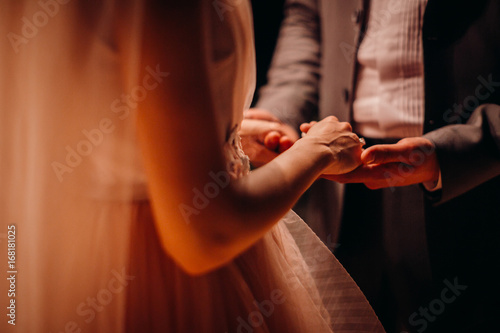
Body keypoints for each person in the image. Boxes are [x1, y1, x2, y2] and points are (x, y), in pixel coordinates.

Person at [0, 1, 385, 332]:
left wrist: (211, 134)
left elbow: (81, 88)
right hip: (162, 284)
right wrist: (319, 149)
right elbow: (205, 232)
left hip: (67, 257)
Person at [242, 0, 500, 331]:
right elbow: (306, 18)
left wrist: (463, 148)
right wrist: (282, 115)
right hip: (334, 183)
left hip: (470, 182)